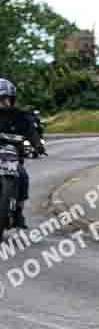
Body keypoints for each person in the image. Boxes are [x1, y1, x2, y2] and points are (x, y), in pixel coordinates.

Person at [0, 78, 46, 229]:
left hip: (13, 157)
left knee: (24, 178)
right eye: (0, 99)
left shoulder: (20, 116)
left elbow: (31, 132)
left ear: (12, 100)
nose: (3, 102)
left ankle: (18, 212)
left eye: (6, 98)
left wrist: (38, 146)